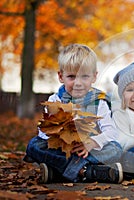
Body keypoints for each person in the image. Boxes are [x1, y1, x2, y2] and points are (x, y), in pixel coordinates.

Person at [23, 43, 123, 184]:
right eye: (71, 76)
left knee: (116, 149)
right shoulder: (55, 100)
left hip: (88, 150)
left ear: (94, 77)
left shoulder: (98, 102)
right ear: (60, 76)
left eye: (84, 77)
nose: (78, 83)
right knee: (34, 145)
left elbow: (111, 132)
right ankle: (87, 171)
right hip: (63, 150)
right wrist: (59, 135)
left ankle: (59, 172)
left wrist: (92, 143)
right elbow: (44, 132)